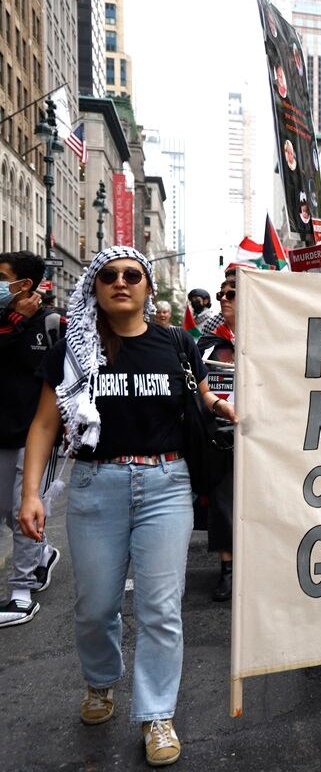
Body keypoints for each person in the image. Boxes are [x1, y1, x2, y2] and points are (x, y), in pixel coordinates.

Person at [17, 246, 237, 768]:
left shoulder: (177, 344)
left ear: (146, 287)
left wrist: (229, 406)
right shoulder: (75, 349)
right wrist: (31, 493)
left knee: (161, 608)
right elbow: (46, 424)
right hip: (98, 484)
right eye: (109, 275)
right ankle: (100, 683)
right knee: (96, 607)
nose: (121, 282)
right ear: (95, 286)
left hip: (167, 483)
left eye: (132, 275)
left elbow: (204, 398)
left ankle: (158, 713)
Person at [0, 252, 62, 629]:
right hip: (2, 432)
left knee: (26, 509)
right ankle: (43, 554)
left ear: (24, 284)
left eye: (1, 276)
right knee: (9, 512)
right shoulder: (5, 322)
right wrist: (14, 321)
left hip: (38, 436)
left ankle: (21, 592)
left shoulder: (52, 323)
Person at [196, 278, 238, 601]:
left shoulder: (274, 339)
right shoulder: (207, 344)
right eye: (221, 293)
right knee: (222, 503)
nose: (224, 298)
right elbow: (194, 386)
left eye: (232, 293)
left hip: (264, 437)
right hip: (221, 436)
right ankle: (227, 569)